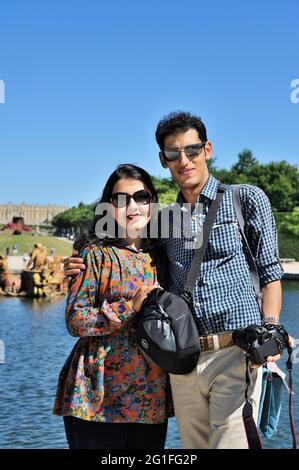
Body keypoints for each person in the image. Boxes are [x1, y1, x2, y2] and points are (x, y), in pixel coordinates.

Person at [64, 111, 291, 449]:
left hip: (235, 351)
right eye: (173, 153)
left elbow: (271, 272)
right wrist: (76, 257)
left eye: (192, 150)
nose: (184, 160)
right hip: (180, 363)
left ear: (208, 149)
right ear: (163, 160)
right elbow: (121, 258)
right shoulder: (165, 223)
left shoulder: (245, 199)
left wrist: (271, 329)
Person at [53, 164, 172, 450]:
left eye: (140, 197)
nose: (132, 206)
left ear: (151, 201)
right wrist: (129, 306)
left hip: (149, 400)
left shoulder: (164, 254)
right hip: (96, 398)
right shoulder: (94, 255)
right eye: (121, 199)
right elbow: (75, 320)